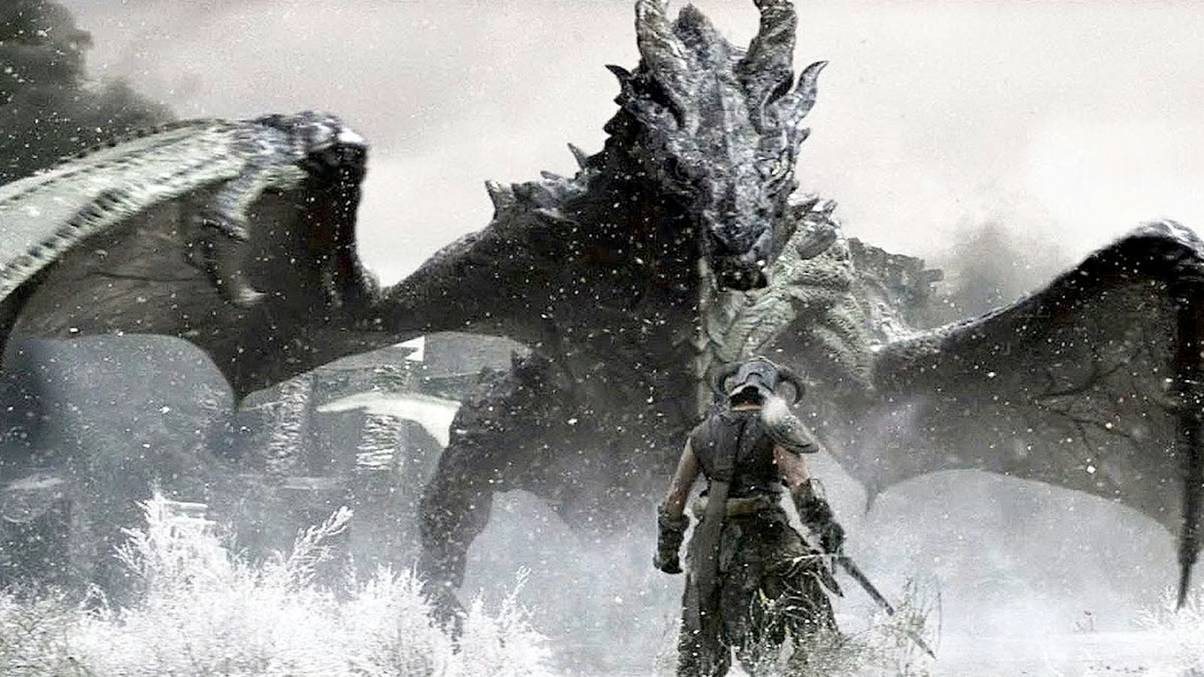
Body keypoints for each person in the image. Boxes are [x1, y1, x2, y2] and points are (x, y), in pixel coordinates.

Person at [655, 356, 845, 676]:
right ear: (771, 392)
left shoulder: (701, 434)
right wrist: (826, 530)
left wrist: (667, 550)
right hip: (768, 541)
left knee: (697, 654)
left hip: (708, 552)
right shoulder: (777, 426)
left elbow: (675, 497)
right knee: (814, 631)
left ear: (736, 390)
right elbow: (799, 482)